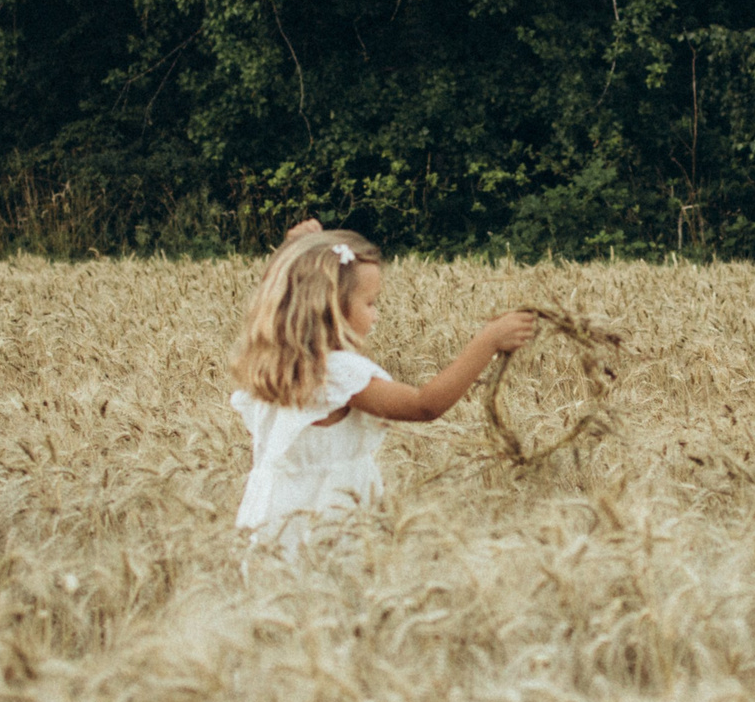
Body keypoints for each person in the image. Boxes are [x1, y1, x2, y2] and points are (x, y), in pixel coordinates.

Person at [230, 228, 536, 548]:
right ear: (329, 306)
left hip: (273, 523)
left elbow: (283, 286)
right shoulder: (336, 373)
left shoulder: (282, 364)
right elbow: (424, 405)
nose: (376, 315)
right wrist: (488, 341)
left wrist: (299, 250)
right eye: (370, 303)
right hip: (325, 526)